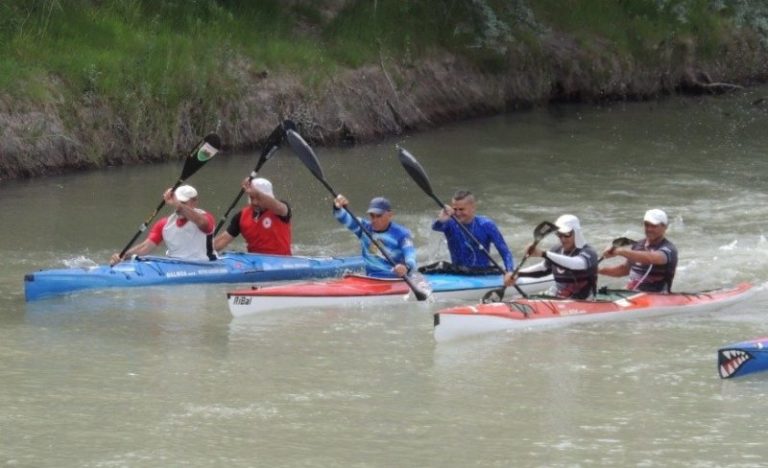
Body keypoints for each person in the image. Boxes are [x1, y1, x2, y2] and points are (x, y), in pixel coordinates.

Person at [110, 185, 215, 265]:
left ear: (194, 202)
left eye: (183, 202)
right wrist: (123, 256)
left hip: (204, 265)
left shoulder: (206, 218)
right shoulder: (164, 224)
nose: (178, 206)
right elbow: (144, 247)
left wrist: (178, 204)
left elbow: (202, 223)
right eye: (177, 202)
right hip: (175, 266)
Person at [503, 214, 598, 299]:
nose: (563, 239)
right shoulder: (556, 250)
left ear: (576, 233)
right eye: (559, 235)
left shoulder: (589, 253)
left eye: (566, 234)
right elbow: (543, 269)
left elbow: (575, 264)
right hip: (559, 298)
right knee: (517, 298)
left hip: (583, 301)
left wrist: (544, 254)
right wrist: (517, 273)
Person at [333, 195, 416, 278]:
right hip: (371, 278)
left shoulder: (402, 234)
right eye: (372, 216)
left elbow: (410, 256)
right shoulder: (363, 228)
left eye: (379, 216)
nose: (375, 220)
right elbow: (342, 217)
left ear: (390, 215)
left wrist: (406, 268)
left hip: (395, 279)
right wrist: (337, 206)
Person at [431, 190, 515, 273]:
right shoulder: (450, 223)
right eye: (455, 209)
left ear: (473, 208)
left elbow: (505, 252)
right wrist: (441, 220)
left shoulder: (486, 225)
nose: (457, 213)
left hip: (482, 273)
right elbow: (435, 227)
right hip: (458, 272)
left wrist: (510, 272)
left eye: (461, 209)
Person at [598, 208, 678, 293]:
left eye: (654, 226)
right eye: (646, 225)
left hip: (657, 295)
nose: (649, 229)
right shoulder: (638, 245)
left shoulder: (669, 249)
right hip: (632, 294)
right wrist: (598, 270)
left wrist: (620, 251)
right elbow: (624, 270)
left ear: (664, 227)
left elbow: (652, 258)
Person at [213, 177, 292, 255]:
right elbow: (222, 240)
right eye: (252, 197)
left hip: (281, 261)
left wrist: (256, 192)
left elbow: (278, 207)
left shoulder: (281, 210)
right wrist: (205, 250)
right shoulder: (241, 216)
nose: (254, 202)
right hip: (254, 262)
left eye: (258, 198)